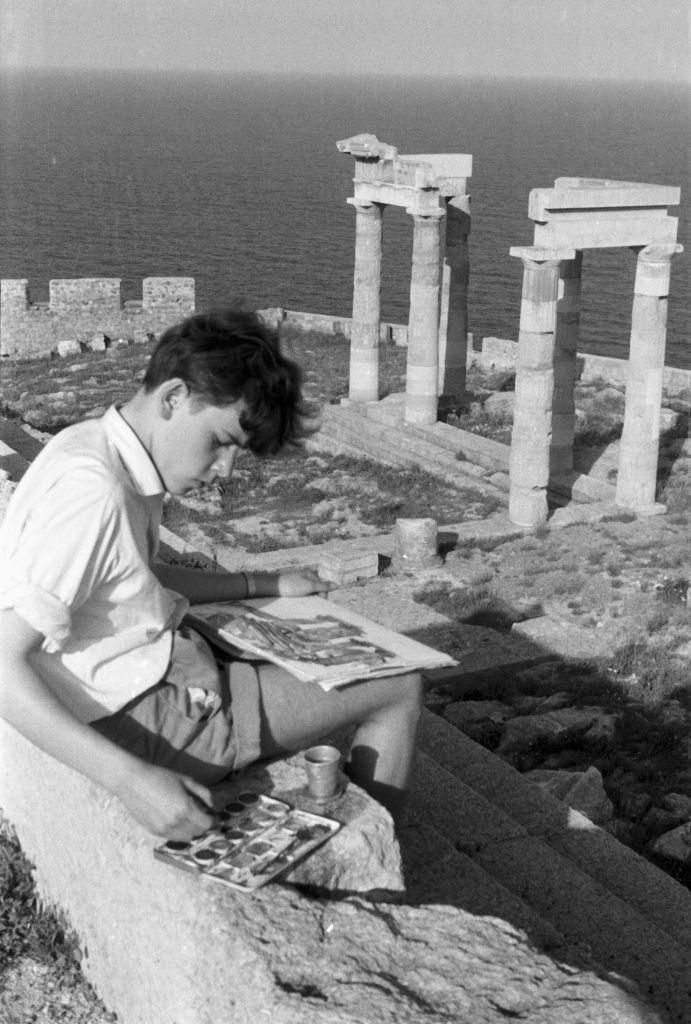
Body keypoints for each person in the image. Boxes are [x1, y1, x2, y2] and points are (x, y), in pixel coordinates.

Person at [0, 308, 422, 841]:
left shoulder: (93, 446)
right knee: (398, 685)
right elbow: (2, 663)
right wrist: (131, 780)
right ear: (174, 398)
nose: (225, 469)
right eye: (220, 441)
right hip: (145, 711)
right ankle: (387, 855)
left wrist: (263, 585)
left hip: (143, 673)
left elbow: (136, 576)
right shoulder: (95, 493)